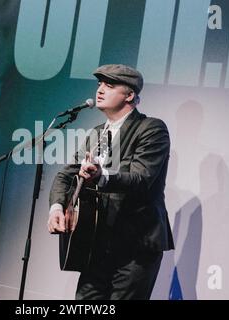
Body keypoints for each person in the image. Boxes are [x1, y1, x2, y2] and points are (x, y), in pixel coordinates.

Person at [47, 64, 174, 300]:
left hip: (135, 245)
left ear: (130, 95)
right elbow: (67, 175)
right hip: (97, 243)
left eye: (110, 85)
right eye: (99, 84)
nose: (100, 90)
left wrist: (100, 176)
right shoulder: (97, 134)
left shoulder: (151, 128)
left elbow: (141, 178)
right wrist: (57, 206)